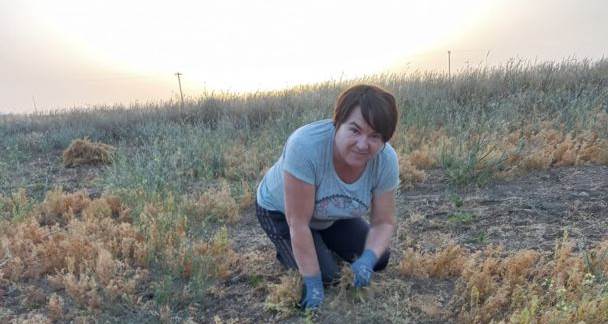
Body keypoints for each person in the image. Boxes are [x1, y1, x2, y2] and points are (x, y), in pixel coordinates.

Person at [255, 84, 400, 310]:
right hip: (282, 213)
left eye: (375, 136)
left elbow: (383, 221)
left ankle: (319, 245)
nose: (363, 144)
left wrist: (367, 260)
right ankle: (288, 253)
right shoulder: (305, 146)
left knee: (379, 259)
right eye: (355, 130)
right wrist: (312, 282)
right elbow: (299, 223)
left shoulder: (386, 160)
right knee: (326, 276)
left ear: (385, 139)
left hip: (329, 213)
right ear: (337, 123)